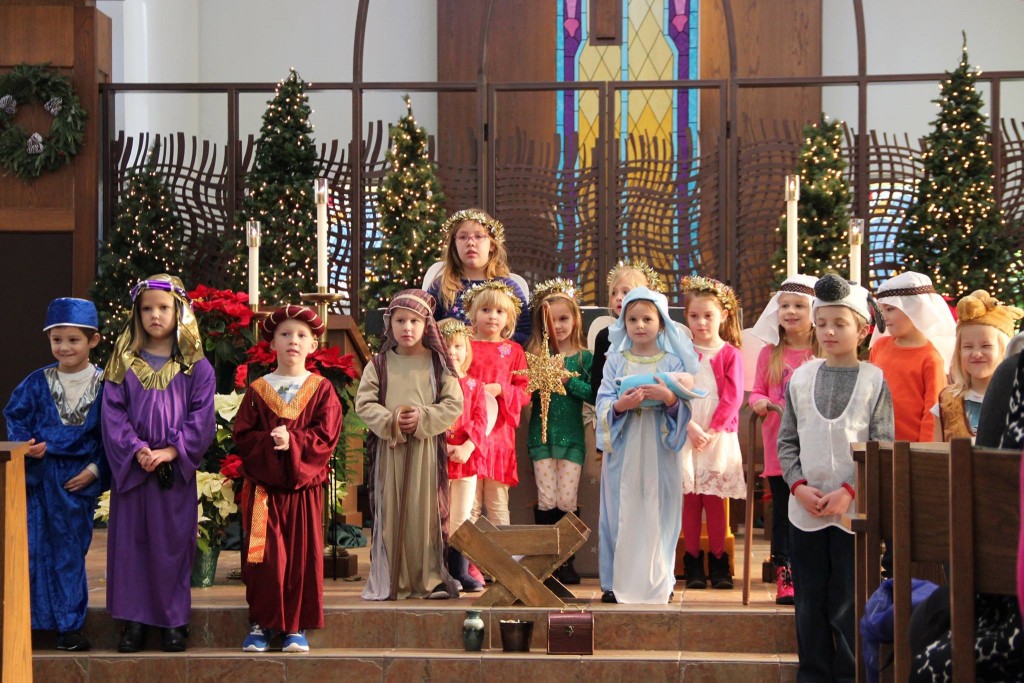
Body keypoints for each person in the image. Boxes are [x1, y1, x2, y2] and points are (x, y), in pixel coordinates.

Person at [778, 274, 894, 683]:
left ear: (862, 330)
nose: (828, 331)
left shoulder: (874, 380)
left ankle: (850, 674)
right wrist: (798, 485)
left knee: (848, 597)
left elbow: (881, 443)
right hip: (804, 506)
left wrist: (850, 491)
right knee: (808, 597)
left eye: (839, 324)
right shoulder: (801, 378)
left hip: (852, 511)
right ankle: (812, 673)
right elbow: (787, 441)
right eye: (822, 322)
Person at [101, 274, 216, 653]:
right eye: (147, 308)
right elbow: (113, 413)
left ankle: (173, 622)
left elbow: (202, 417)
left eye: (163, 308)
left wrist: (171, 452)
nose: (155, 315)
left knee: (170, 546)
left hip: (173, 474)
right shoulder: (123, 363)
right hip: (134, 472)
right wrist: (136, 449)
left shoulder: (196, 367)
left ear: (179, 311)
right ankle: (132, 624)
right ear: (137, 313)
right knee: (131, 547)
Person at [233, 305, 343, 653]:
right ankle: (262, 624)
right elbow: (243, 436)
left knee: (299, 560)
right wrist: (269, 442)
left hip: (303, 492)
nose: (293, 340)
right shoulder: (258, 389)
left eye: (301, 335)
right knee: (264, 560)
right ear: (272, 343)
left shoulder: (321, 389)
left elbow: (327, 436)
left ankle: (295, 627)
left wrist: (293, 441)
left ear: (313, 344)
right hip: (264, 492)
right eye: (285, 334)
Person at [4, 298, 104, 652]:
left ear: (93, 340)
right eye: (56, 339)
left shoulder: (107, 385)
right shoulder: (36, 382)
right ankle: (31, 621)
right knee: (32, 549)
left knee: (68, 553)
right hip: (39, 477)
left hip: (77, 482)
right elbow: (16, 417)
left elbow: (112, 434)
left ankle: (69, 626)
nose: (64, 347)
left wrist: (95, 471)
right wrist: (25, 446)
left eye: (73, 339)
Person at [357, 290, 464, 601]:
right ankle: (395, 580)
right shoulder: (378, 364)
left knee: (426, 515)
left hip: (426, 450)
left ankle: (428, 580)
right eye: (400, 320)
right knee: (391, 515)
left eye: (414, 321)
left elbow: (453, 402)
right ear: (389, 326)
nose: (407, 327)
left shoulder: (437, 363)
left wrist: (422, 418)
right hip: (391, 449)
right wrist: (392, 421)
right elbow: (364, 403)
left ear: (426, 324)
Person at [595, 286, 698, 604]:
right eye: (632, 319)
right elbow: (603, 401)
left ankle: (659, 580)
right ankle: (614, 582)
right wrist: (621, 405)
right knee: (620, 510)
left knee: (659, 511)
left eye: (647, 319)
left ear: (661, 323)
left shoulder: (671, 362)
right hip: (625, 447)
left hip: (658, 444)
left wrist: (668, 397)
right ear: (623, 323)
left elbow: (683, 405)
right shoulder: (615, 360)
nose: (640, 325)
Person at [748, 274, 818, 604]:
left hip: (815, 447)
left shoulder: (821, 352)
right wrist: (759, 402)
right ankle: (784, 573)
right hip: (780, 447)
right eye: (785, 306)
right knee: (783, 512)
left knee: (811, 508)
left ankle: (811, 571)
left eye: (799, 306)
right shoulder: (770, 354)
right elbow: (759, 390)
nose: (790, 312)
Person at [677, 276, 746, 590]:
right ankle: (692, 561)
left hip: (718, 435)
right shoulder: (682, 351)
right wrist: (690, 427)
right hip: (689, 430)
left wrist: (714, 429)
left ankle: (719, 562)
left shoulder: (729, 353)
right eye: (694, 316)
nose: (701, 322)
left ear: (724, 316)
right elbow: (674, 390)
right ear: (686, 317)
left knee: (715, 500)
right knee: (690, 500)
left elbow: (734, 396)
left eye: (708, 315)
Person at [526, 278, 594, 585]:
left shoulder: (583, 358)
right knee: (546, 500)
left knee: (567, 501)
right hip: (541, 441)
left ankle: (567, 560)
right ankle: (546, 562)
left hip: (572, 441)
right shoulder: (534, 358)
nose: (558, 326)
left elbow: (593, 393)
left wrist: (569, 381)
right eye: (551, 320)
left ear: (575, 319)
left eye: (564, 318)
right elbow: (523, 393)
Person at [464, 280, 530, 527]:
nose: (493, 317)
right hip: (468, 433)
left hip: (499, 436)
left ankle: (502, 563)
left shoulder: (513, 351)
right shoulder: (465, 346)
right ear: (473, 312)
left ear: (509, 318)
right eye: (486, 310)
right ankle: (466, 564)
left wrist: (501, 389)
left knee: (497, 504)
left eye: (500, 312)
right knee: (469, 504)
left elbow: (525, 392)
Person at [869, 271, 954, 441]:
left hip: (911, 448)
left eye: (890, 309)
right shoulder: (879, 347)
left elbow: (933, 411)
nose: (884, 316)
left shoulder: (931, 358)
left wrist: (925, 452)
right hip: (877, 443)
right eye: (882, 310)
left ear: (914, 308)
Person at [426, 207, 531, 345]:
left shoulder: (509, 289)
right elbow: (425, 331)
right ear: (454, 245)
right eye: (463, 237)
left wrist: (493, 337)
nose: (470, 242)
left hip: (497, 364)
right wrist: (452, 329)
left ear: (492, 245)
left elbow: (526, 336)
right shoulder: (440, 287)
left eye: (479, 236)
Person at [437, 317, 489, 593]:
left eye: (458, 346)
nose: (453, 352)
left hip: (466, 461)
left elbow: (481, 419)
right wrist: (443, 446)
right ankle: (441, 572)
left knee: (461, 517)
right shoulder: (433, 384)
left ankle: (460, 570)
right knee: (439, 517)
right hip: (439, 461)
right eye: (447, 347)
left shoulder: (475, 386)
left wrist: (468, 446)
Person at [932, 290, 1022, 441]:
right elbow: (937, 457)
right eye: (968, 347)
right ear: (959, 351)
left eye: (986, 345)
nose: (976, 353)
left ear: (1004, 349)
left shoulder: (1018, 400)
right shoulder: (946, 402)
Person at [590, 259, 666, 401]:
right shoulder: (604, 337)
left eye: (625, 292)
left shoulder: (657, 335)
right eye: (614, 293)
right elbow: (597, 386)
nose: (618, 298)